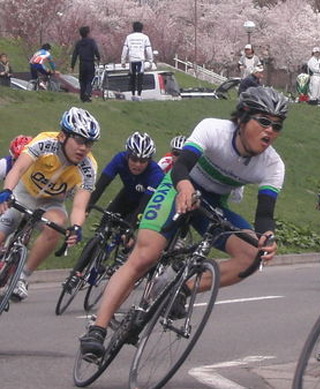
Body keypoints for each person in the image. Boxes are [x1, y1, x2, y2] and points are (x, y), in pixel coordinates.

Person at [79, 86, 289, 360]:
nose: (270, 131)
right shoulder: (214, 130)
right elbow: (181, 166)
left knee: (252, 257)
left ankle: (180, 289)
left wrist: (267, 238)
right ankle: (98, 328)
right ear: (242, 117)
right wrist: (184, 186)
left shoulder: (273, 165)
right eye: (264, 121)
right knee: (146, 255)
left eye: (277, 125)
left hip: (213, 203)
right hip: (178, 186)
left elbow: (264, 214)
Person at [0, 107, 100, 301]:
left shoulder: (89, 166)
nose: (83, 148)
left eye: (89, 144)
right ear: (63, 136)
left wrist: (77, 227)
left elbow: (80, 205)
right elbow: (18, 168)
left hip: (52, 201)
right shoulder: (44, 142)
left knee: (56, 226)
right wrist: (7, 192)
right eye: (79, 140)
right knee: (7, 221)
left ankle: (22, 277)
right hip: (24, 191)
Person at [64, 132, 163, 291]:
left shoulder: (156, 174)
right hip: (125, 197)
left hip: (144, 204)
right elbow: (101, 185)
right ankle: (77, 274)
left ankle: (123, 254)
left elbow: (144, 207)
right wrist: (87, 207)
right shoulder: (119, 159)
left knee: (128, 231)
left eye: (143, 161)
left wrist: (132, 227)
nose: (137, 164)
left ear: (149, 161)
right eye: (134, 159)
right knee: (102, 231)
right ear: (127, 156)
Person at [121, 21, 154, 101]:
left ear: (133, 28)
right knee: (140, 77)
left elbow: (125, 49)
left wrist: (123, 60)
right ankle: (139, 95)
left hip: (132, 59)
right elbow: (148, 49)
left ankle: (133, 94)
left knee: (132, 77)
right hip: (140, 59)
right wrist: (150, 60)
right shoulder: (145, 37)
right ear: (141, 28)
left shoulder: (129, 37)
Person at [70, 26, 101, 103]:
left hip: (82, 64)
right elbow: (96, 51)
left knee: (82, 80)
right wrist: (98, 58)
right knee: (89, 80)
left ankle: (82, 96)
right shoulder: (91, 42)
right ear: (87, 33)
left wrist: (72, 66)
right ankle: (87, 93)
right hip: (90, 63)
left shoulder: (78, 43)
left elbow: (75, 55)